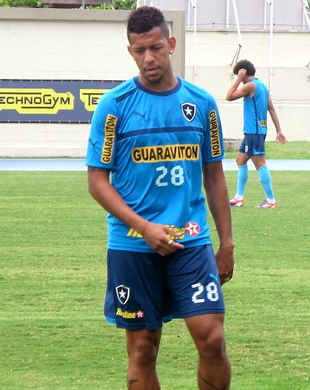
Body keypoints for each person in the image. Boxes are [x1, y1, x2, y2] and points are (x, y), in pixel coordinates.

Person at [85, 6, 233, 389]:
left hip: (191, 238)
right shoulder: (114, 107)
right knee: (143, 349)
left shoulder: (201, 104)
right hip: (133, 245)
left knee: (213, 339)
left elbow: (214, 175)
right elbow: (97, 182)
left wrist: (227, 242)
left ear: (170, 44)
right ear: (130, 51)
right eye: (139, 50)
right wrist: (144, 227)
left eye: (155, 48)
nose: (148, 58)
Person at [226, 59, 287, 209]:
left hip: (254, 132)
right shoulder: (263, 87)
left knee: (260, 164)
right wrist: (279, 130)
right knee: (240, 160)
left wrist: (238, 80)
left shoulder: (250, 85)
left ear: (243, 72)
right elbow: (271, 109)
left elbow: (229, 96)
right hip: (256, 131)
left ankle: (271, 200)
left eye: (239, 76)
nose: (240, 82)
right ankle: (238, 197)